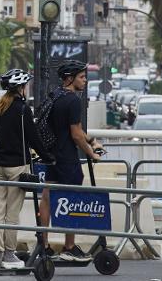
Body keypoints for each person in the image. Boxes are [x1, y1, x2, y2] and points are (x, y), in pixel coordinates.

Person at [0, 69, 54, 270]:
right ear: (20, 88)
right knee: (12, 212)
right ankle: (8, 255)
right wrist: (48, 156)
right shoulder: (23, 109)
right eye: (25, 85)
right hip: (17, 165)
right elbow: (33, 138)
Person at [39, 60, 103, 262]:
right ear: (70, 78)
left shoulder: (56, 96)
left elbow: (74, 129)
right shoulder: (73, 100)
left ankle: (44, 245)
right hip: (68, 158)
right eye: (82, 77)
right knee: (72, 199)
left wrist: (91, 140)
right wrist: (91, 153)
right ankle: (69, 247)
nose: (85, 81)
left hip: (52, 156)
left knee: (47, 198)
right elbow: (75, 134)